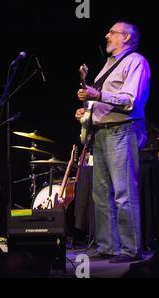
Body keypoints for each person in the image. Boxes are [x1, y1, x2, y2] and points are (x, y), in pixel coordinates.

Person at [75, 21, 150, 263]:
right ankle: (108, 247)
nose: (107, 35)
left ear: (126, 38)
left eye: (112, 32)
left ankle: (131, 249)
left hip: (121, 131)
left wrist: (98, 95)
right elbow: (103, 100)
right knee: (101, 194)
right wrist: (87, 110)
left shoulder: (136, 61)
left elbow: (131, 100)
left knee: (123, 193)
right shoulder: (108, 65)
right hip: (102, 133)